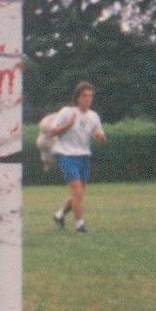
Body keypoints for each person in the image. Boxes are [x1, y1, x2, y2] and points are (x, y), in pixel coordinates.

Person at [46, 82, 106, 234]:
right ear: (78, 98)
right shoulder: (67, 112)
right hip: (66, 155)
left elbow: (100, 135)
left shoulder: (94, 116)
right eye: (85, 96)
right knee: (77, 190)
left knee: (78, 194)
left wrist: (100, 136)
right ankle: (80, 226)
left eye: (90, 96)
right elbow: (51, 132)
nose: (88, 99)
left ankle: (59, 215)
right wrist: (68, 125)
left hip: (84, 156)